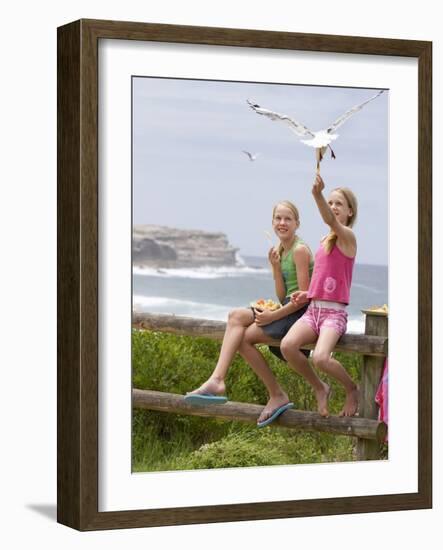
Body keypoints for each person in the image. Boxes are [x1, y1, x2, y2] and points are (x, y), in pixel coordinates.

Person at [185, 200, 313, 426]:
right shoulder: (280, 250)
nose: (282, 223)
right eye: (278, 218)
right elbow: (283, 293)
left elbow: (303, 298)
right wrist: (275, 268)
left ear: (297, 224)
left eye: (287, 219)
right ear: (272, 222)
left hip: (299, 315)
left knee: (243, 338)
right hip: (284, 308)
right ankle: (217, 379)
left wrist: (272, 316)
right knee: (235, 316)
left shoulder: (300, 250)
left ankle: (276, 394)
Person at [280, 174, 359, 418]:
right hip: (314, 309)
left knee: (322, 358)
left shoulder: (347, 237)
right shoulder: (325, 240)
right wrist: (307, 293)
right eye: (331, 202)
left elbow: (329, 220)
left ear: (349, 212)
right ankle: (320, 387)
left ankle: (351, 389)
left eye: (339, 204)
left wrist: (317, 194)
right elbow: (323, 278)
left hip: (334, 314)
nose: (334, 207)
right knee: (287, 346)